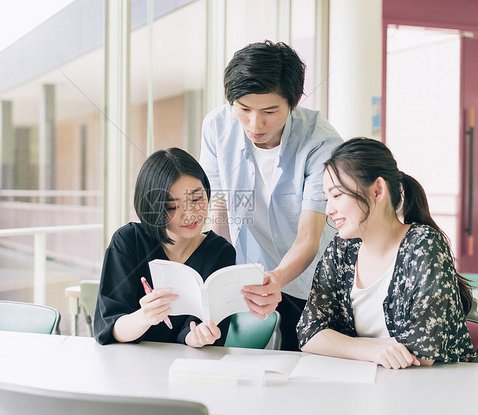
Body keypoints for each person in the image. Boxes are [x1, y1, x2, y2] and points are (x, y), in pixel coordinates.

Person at [200, 40, 342, 350]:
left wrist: (276, 280)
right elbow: (221, 209)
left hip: (313, 278)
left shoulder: (320, 142)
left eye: (269, 111)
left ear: (293, 103)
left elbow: (308, 238)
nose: (255, 124)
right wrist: (222, 275)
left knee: (304, 367)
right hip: (248, 271)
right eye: (244, 109)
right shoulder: (216, 127)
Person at [297, 137, 476, 368]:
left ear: (377, 190)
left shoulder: (423, 244)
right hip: (366, 384)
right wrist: (374, 350)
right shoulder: (341, 250)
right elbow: (309, 333)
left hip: (433, 389)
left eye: (337, 195)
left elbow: (422, 352)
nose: (329, 210)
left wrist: (346, 345)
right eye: (326, 198)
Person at [94, 148, 236, 348]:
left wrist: (197, 337)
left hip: (187, 369)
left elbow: (201, 329)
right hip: (130, 367)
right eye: (172, 207)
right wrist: (144, 317)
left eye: (196, 199)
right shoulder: (128, 241)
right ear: (152, 207)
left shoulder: (221, 252)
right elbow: (111, 327)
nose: (190, 214)